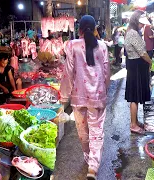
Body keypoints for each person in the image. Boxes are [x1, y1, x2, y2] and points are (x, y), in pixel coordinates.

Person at [60, 15, 110, 180]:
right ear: (95, 28)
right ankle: (93, 167)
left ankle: (89, 158)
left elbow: (68, 73)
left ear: (79, 30)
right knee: (96, 131)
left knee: (83, 132)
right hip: (97, 96)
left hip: (78, 97)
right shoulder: (102, 46)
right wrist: (105, 91)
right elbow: (106, 73)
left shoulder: (72, 46)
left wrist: (63, 99)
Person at [124, 10, 152, 134]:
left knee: (136, 96)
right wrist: (150, 62)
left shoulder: (131, 32)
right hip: (136, 66)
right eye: (141, 24)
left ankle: (135, 121)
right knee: (134, 97)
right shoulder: (133, 33)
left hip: (134, 65)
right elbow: (142, 52)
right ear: (136, 22)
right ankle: (133, 124)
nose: (142, 26)